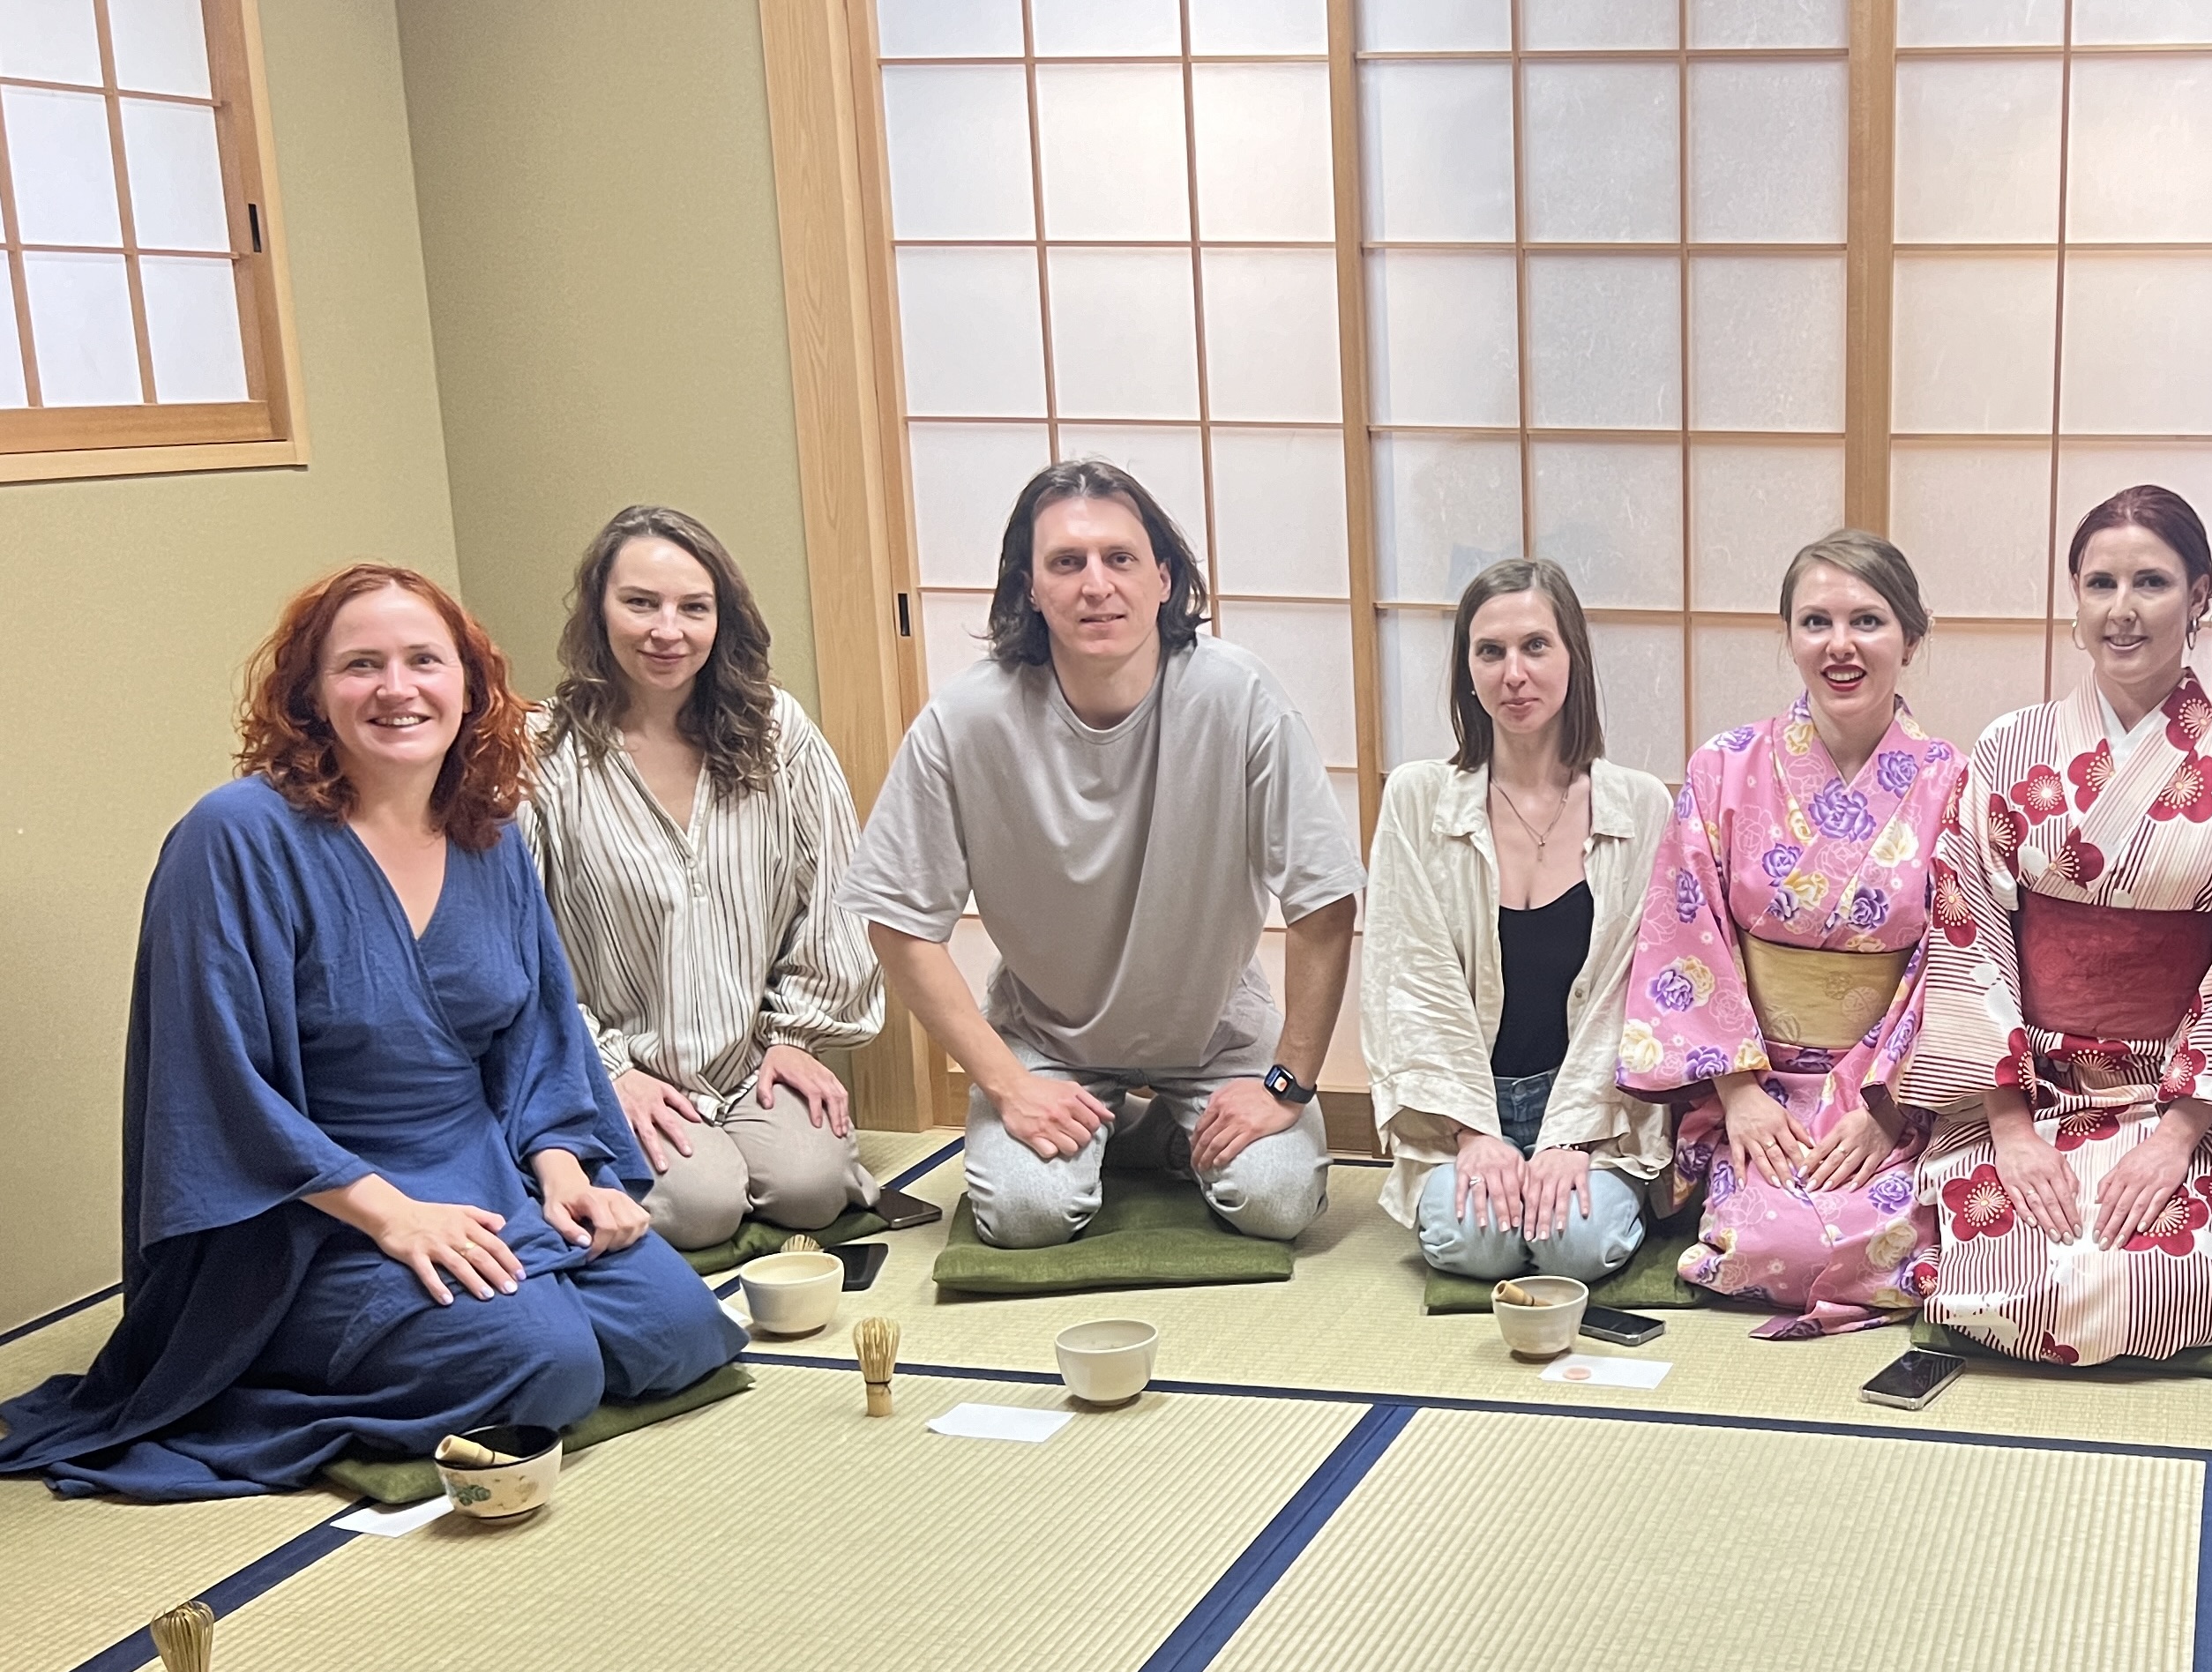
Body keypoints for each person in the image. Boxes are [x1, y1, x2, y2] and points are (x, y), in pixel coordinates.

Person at [0, 567, 739, 1500]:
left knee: (680, 1330)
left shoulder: (487, 831)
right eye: (361, 665)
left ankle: (507, 1304)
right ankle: (252, 1364)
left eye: (425, 661)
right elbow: (214, 1087)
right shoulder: (234, 838)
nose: (397, 689)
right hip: (307, 1217)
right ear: (311, 693)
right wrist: (393, 1216)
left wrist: (564, 1173)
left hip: (485, 1179)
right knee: (547, 1366)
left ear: (469, 684)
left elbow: (537, 1036)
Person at [844, 459, 1362, 1247]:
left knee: (1277, 1201)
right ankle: (1121, 1132)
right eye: (1066, 562)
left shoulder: (1239, 697)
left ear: (1163, 578)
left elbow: (1324, 900)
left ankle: (1146, 1135)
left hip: (1214, 1029)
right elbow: (898, 922)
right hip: (1048, 1036)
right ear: (1029, 587)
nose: (1096, 585)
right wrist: (1008, 1086)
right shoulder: (967, 721)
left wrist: (1286, 1082)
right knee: (1026, 1214)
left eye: (1119, 558)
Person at [1900, 488, 2212, 1364]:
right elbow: (1968, 934)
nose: (2122, 610)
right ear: (2075, 598)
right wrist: (2011, 1129)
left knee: (2159, 1281)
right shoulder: (2009, 749)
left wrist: (2176, 1138)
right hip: (2030, 1088)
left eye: (2151, 583)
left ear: (2200, 596)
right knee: (2006, 1276)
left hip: (2184, 1098)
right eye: (2101, 584)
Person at [1619, 531, 1967, 1337]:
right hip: (1758, 1083)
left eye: (1867, 622)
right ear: (1789, 637)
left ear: (1911, 639)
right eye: (1816, 622)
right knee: (1768, 1243)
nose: (1840, 645)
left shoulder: (1954, 782)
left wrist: (1888, 1108)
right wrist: (1737, 1094)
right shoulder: (1724, 766)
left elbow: (1959, 956)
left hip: (1889, 1090)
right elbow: (1686, 934)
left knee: (1894, 1238)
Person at [522, 505, 885, 1251]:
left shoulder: (775, 731)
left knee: (811, 1192)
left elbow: (837, 895)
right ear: (598, 609)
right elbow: (517, 943)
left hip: (752, 1056)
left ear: (723, 617)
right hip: (617, 1062)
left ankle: (750, 1146)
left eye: (694, 608)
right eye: (640, 603)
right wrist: (605, 1070)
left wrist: (796, 1038)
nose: (668, 631)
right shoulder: (543, 749)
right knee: (701, 1209)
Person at [1364, 559, 1671, 1280]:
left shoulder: (1640, 806)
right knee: (1478, 1244)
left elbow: (1639, 996)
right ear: (1467, 670)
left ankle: (1596, 1190)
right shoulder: (1418, 798)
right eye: (1490, 651)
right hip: (1463, 1109)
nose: (1514, 674)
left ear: (1573, 657)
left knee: (1574, 1246)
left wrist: (1572, 1136)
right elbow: (1408, 982)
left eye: (1536, 646)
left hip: (1597, 1116)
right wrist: (1472, 1132)